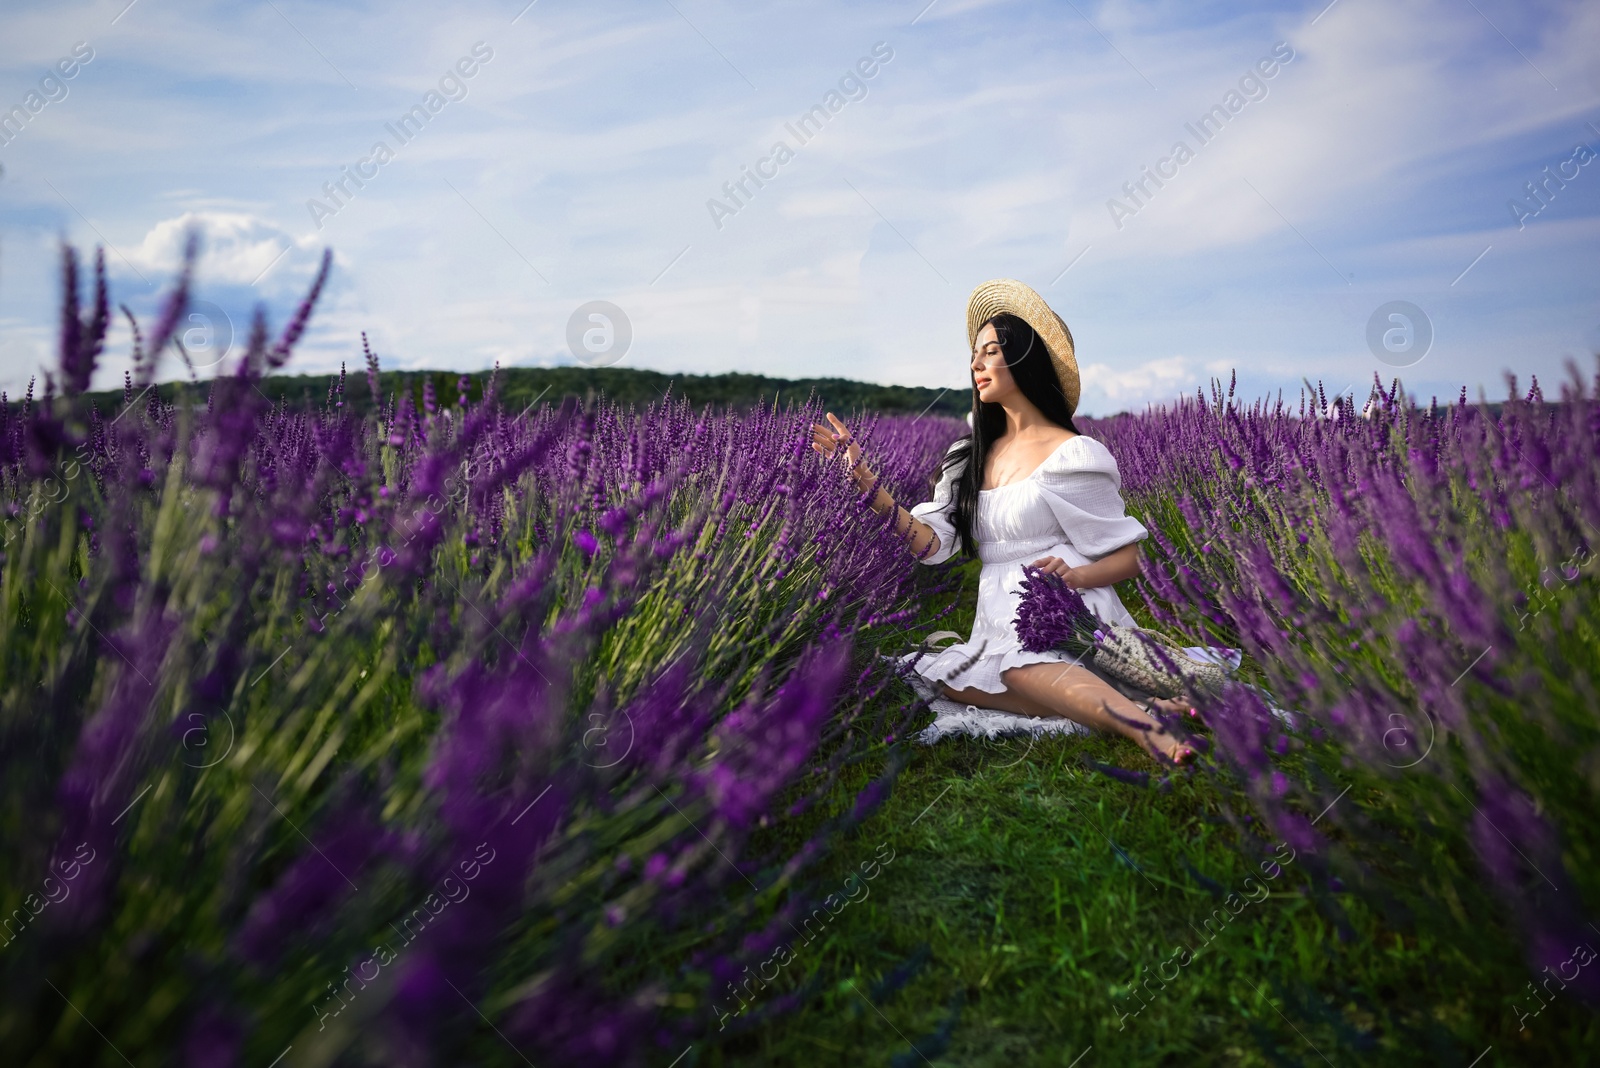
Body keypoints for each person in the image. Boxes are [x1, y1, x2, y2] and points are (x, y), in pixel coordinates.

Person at [811, 279, 1197, 765]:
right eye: (975, 354)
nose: (976, 364)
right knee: (941, 675)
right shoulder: (966, 459)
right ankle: (1141, 703)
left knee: (1015, 672)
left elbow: (1131, 557)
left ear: (1025, 360)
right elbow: (930, 545)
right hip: (998, 615)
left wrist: (1076, 576)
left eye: (991, 352)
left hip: (1064, 606)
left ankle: (1144, 728)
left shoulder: (1072, 454)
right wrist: (864, 483)